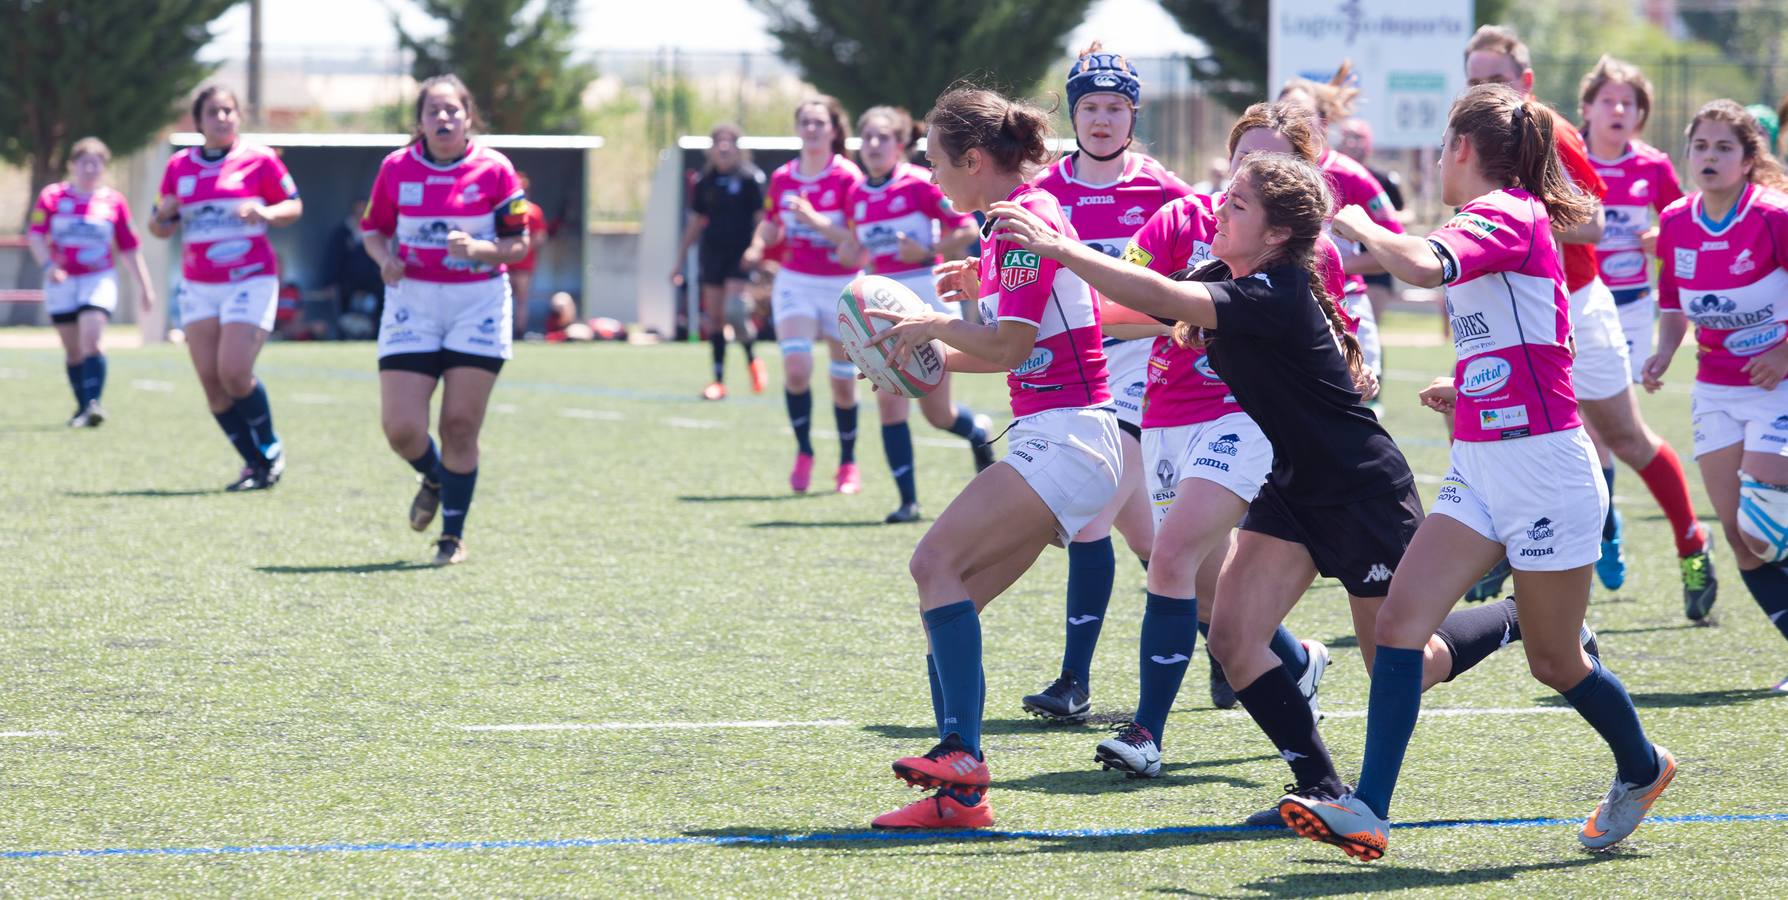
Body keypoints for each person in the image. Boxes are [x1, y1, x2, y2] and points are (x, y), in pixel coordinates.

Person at [991, 144, 1591, 828]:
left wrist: (1058, 246)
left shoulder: (1273, 291)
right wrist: (997, 300)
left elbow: (1163, 295)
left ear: (1276, 234)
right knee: (1236, 638)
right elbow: (1136, 306)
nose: (1219, 208)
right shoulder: (1227, 271)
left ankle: (1519, 617)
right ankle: (1321, 785)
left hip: (1360, 489)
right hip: (1290, 488)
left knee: (1405, 662)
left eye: (1238, 205)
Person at [1284, 83, 1675, 860]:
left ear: (1462, 148)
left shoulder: (1510, 211)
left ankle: (1642, 765)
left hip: (1545, 471)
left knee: (1556, 661)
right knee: (1398, 625)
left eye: (1439, 145)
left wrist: (1358, 218)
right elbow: (1533, 343)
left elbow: (1424, 268)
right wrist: (1466, 388)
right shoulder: (1492, 220)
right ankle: (1369, 811)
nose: (1435, 159)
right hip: (1483, 464)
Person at [862, 85, 1118, 830]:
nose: (932, 176)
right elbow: (1013, 347)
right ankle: (959, 800)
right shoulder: (1018, 222)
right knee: (953, 599)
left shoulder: (1016, 223)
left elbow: (1013, 347)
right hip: (1070, 437)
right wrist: (919, 348)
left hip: (1066, 437)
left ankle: (962, 758)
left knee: (931, 566)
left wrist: (933, 323)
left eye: (936, 160)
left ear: (974, 159)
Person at [1092, 101, 1338, 793]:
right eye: (1244, 158)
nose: (1253, 172)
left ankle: (1146, 733)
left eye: (1275, 161)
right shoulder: (1180, 219)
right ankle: (1296, 663)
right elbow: (1117, 311)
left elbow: (1331, 336)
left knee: (1167, 558)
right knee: (1208, 592)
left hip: (1245, 418)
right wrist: (1183, 311)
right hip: (1170, 415)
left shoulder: (1304, 253)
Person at [1462, 26, 1715, 618]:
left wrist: (1522, 228)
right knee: (1485, 426)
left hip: (1575, 302)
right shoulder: (1466, 138)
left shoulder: (1548, 129)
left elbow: (1593, 224)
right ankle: (1504, 546)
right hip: (1508, 312)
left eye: (1494, 79)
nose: (1482, 90)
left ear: (1523, 82)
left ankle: (1691, 542)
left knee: (1623, 437)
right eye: (1474, 79)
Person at [1021, 42, 1195, 724]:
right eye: (1089, 107)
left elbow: (1192, 290)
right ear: (1073, 113)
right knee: (1154, 545)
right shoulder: (1043, 195)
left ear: (1133, 115)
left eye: (1114, 107)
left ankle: (1073, 681)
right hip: (1073, 374)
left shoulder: (1167, 193)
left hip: (1140, 375)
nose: (1100, 119)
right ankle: (1266, 652)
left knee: (1088, 517)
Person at [1644, 100, 1788, 691]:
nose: (1709, 156)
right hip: (1715, 391)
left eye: (1724, 147)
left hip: (1777, 389)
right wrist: (1664, 349)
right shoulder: (1677, 222)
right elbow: (1676, 306)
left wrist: (1783, 354)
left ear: (1748, 159)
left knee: (1763, 528)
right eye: (1700, 146)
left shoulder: (1775, 217)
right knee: (1740, 539)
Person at [360, 74, 530, 566]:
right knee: (401, 429)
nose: (444, 118)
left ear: (468, 117)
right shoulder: (395, 168)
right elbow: (373, 230)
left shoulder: (496, 170)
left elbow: (518, 244)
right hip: (412, 301)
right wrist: (383, 260)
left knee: (459, 425)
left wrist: (480, 250)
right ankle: (434, 475)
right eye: (433, 110)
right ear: (420, 121)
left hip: (477, 303)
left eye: (453, 110)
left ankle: (451, 537)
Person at [841, 105, 992, 523]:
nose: (873, 145)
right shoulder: (856, 194)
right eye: (866, 137)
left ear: (899, 144)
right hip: (880, 306)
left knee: (937, 412)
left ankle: (977, 433)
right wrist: (851, 251)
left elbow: (968, 230)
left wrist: (925, 252)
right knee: (889, 403)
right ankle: (908, 502)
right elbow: (860, 246)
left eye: (882, 138)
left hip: (925, 298)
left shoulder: (919, 184)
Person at [149, 85, 302, 491]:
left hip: (249, 279)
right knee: (213, 387)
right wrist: (162, 216)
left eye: (228, 111)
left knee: (234, 372)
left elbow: (294, 205)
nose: (222, 119)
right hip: (199, 285)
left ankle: (269, 446)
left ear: (238, 116)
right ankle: (255, 465)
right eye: (213, 112)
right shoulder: (179, 166)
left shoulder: (259, 159)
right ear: (198, 121)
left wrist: (266, 210)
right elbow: (158, 227)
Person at [1578, 55, 1688, 591]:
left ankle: (1608, 528)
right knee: (1585, 426)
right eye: (1609, 101)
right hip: (1576, 302)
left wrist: (1660, 239)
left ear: (1640, 115)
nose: (1618, 110)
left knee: (1603, 425)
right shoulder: (1568, 158)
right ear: (1588, 107)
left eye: (1629, 103)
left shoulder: (1653, 166)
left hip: (1628, 305)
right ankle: (1603, 523)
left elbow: (1685, 225)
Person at [753, 98, 866, 493]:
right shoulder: (783, 177)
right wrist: (758, 244)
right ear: (798, 128)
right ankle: (804, 452)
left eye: (820, 123)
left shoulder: (848, 177)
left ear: (834, 130)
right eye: (806, 122)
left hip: (840, 284)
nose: (812, 129)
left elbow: (857, 241)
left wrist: (815, 221)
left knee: (842, 385)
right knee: (797, 370)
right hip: (795, 281)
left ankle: (848, 462)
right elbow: (770, 225)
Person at [1279, 63, 1402, 380]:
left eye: (1302, 114)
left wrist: (1335, 267)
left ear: (1323, 120)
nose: (1293, 123)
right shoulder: (1261, 176)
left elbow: (1395, 247)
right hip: (1279, 304)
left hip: (1344, 304)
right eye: (1283, 113)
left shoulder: (1351, 175)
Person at [26, 137, 155, 426]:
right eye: (84, 163)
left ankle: (94, 403)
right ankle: (83, 407)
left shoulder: (114, 202)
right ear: (72, 166)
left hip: (98, 278)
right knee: (73, 350)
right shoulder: (52, 197)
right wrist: (48, 265)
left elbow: (130, 248)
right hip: (62, 281)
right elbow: (34, 234)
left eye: (96, 164)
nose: (89, 170)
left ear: (104, 168)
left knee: (92, 339)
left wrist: (145, 286)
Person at [673, 124, 768, 401]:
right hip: (712, 255)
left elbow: (762, 218)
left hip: (739, 256)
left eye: (729, 143)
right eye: (718, 143)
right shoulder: (705, 181)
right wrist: (679, 261)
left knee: (735, 313)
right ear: (711, 149)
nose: (723, 148)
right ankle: (718, 381)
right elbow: (695, 222)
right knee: (714, 320)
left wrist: (756, 247)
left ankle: (752, 359)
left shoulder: (750, 179)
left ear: (739, 149)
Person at [323, 199, 386, 336]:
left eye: (364, 212)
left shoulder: (376, 233)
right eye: (359, 212)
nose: (361, 215)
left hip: (373, 285)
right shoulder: (341, 233)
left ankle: (376, 335)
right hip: (347, 286)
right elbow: (333, 259)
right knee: (345, 314)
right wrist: (330, 283)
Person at [508, 171, 550, 339]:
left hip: (514, 263)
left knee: (514, 300)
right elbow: (540, 238)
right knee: (520, 301)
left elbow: (540, 237)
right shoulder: (531, 210)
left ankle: (516, 332)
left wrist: (518, 248)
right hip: (515, 263)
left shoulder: (526, 211)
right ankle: (518, 332)